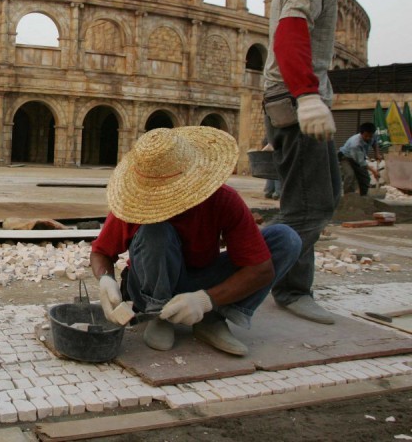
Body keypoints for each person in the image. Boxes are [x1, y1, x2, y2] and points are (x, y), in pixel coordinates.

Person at [262, 0, 400, 325]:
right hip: (294, 99)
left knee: (324, 197)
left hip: (301, 98)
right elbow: (289, 32)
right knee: (308, 204)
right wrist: (305, 95)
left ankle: (279, 280)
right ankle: (273, 285)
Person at [91, 127, 301, 356]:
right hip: (151, 284)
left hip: (204, 279)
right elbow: (101, 252)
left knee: (286, 239)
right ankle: (159, 315)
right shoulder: (135, 204)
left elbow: (261, 269)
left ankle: (214, 317)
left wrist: (205, 300)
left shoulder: (223, 200)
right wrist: (105, 279)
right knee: (155, 230)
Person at [339, 122, 382, 195]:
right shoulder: (355, 144)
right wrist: (374, 171)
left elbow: (375, 142)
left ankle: (363, 197)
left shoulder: (373, 135)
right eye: (366, 136)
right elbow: (361, 162)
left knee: (365, 178)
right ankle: (348, 197)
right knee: (350, 175)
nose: (368, 138)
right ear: (361, 133)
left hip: (358, 157)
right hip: (346, 158)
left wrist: (377, 153)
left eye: (370, 136)